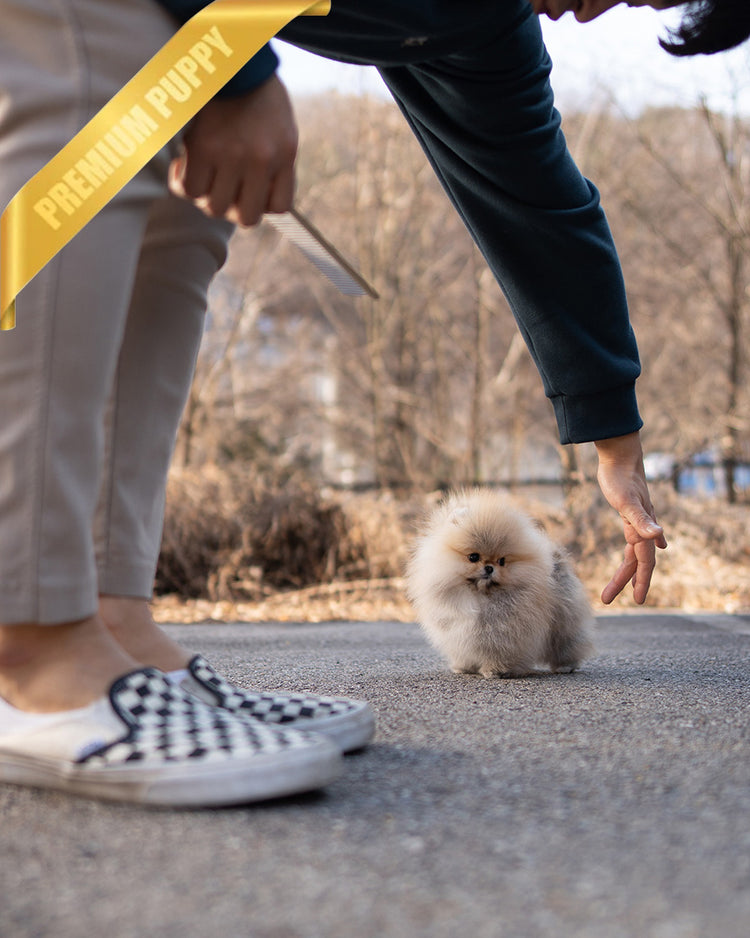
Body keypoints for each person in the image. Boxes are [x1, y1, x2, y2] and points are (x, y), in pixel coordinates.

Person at [0, 0, 744, 805]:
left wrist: (616, 443)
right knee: (99, 88)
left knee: (192, 197)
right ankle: (34, 647)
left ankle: (112, 626)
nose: (593, 12)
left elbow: (538, 204)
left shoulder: (482, 23)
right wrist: (243, 76)